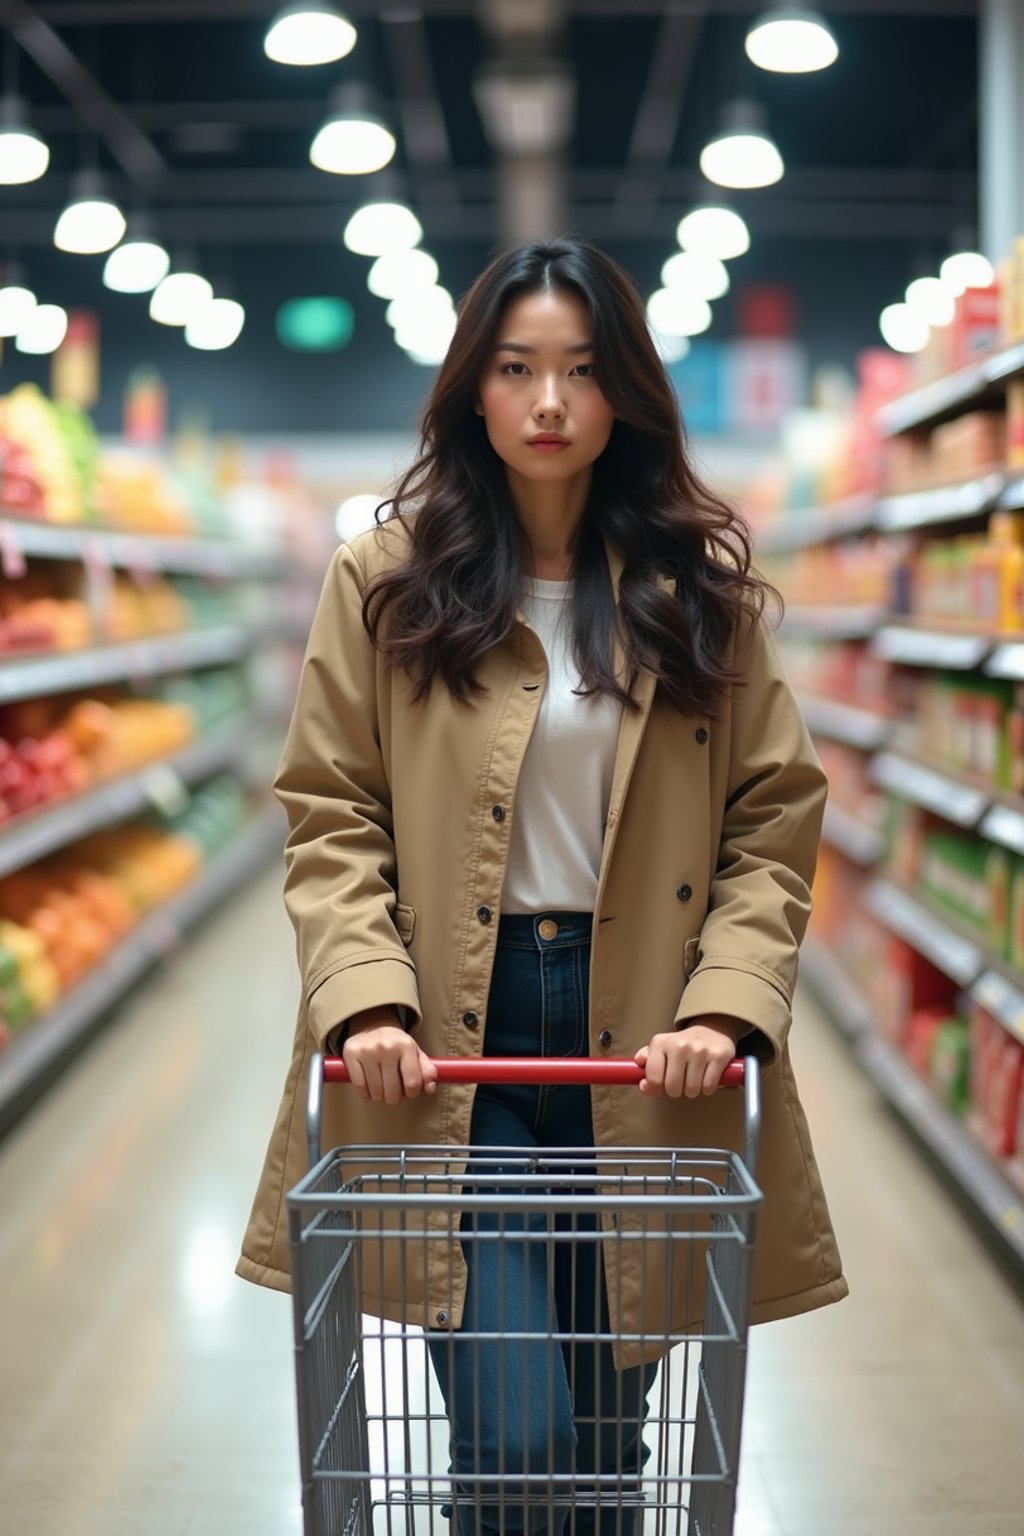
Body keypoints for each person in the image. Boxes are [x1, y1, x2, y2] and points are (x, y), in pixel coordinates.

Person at [237, 238, 848, 1535]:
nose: (551, 403)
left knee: (609, 1429)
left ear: (625, 388)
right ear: (475, 389)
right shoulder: (387, 583)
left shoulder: (698, 598)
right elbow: (331, 809)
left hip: (648, 1043)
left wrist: (725, 1010)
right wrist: (366, 1001)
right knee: (513, 1428)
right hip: (453, 1041)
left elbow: (772, 818)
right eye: (517, 370)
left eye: (581, 370)